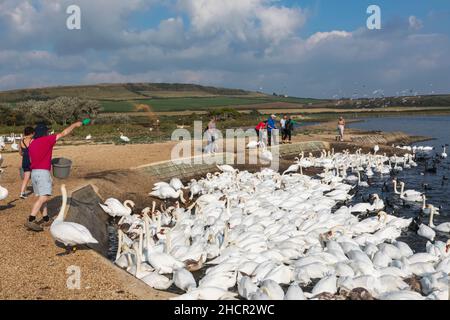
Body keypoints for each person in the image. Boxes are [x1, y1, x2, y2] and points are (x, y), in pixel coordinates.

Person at [25, 121, 84, 232]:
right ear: (44, 132)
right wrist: (75, 125)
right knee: (44, 197)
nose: (48, 132)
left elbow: (31, 159)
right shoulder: (47, 139)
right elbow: (64, 133)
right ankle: (31, 219)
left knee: (42, 197)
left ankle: (46, 219)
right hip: (43, 172)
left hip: (34, 172)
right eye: (47, 131)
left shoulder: (32, 143)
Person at [19, 127, 35, 199]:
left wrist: (25, 154)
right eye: (33, 133)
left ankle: (22, 193)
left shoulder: (21, 140)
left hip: (24, 160)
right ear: (31, 133)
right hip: (32, 160)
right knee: (36, 176)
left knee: (26, 178)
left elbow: (20, 152)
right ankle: (38, 191)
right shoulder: (32, 140)